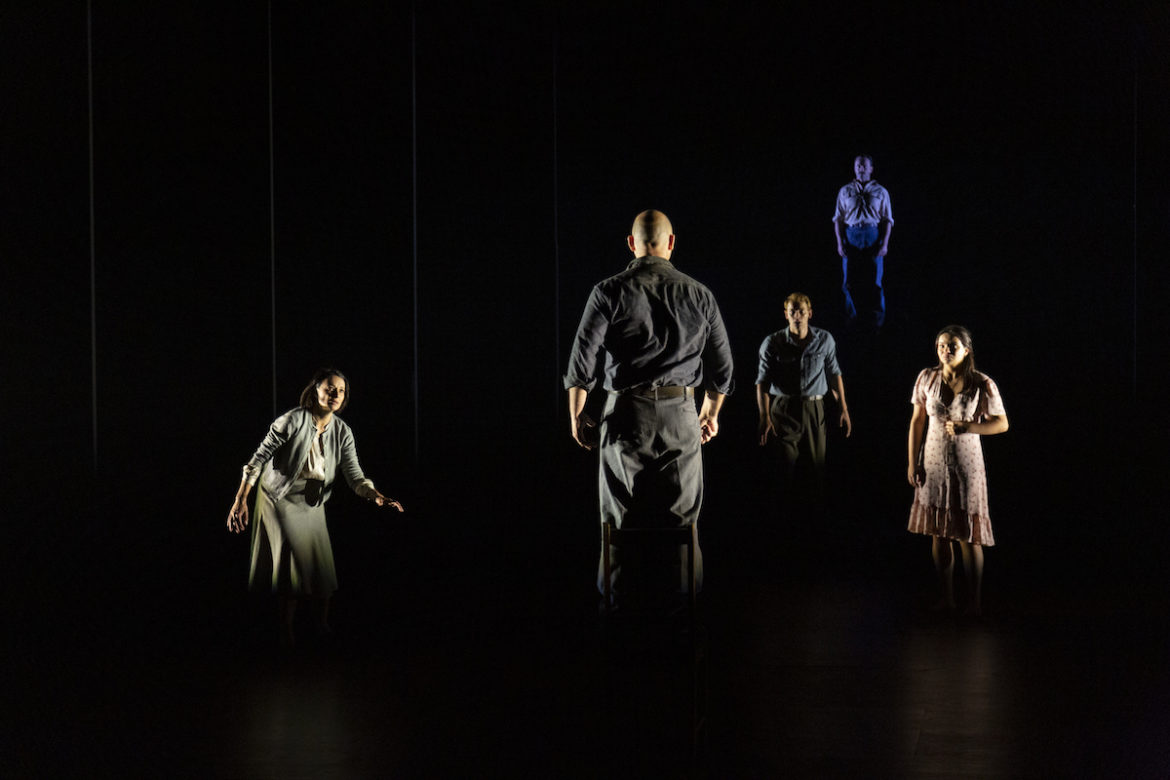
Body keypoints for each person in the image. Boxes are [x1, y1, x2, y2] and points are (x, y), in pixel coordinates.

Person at [564, 209, 734, 610]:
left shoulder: (607, 291)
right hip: (681, 413)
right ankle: (684, 607)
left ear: (631, 244)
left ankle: (616, 609)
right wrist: (710, 413)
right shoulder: (700, 293)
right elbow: (723, 369)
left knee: (617, 518)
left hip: (625, 414)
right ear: (671, 243)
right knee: (683, 520)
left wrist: (576, 416)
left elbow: (580, 365)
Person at [227, 368, 404, 647]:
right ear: (316, 390)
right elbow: (257, 459)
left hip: (312, 501)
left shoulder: (343, 432)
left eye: (341, 391)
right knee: (292, 564)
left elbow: (355, 476)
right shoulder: (292, 420)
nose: (335, 394)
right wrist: (241, 499)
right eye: (329, 388)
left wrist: (377, 496)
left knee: (321, 564)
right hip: (279, 498)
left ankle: (322, 626)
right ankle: (286, 631)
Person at [907, 326, 1008, 616]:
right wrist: (912, 462)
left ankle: (974, 602)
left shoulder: (981, 382)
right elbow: (916, 422)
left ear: (966, 349)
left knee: (968, 534)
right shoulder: (927, 378)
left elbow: (1002, 423)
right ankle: (947, 597)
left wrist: (969, 427)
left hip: (967, 466)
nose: (945, 350)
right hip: (934, 463)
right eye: (941, 345)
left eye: (952, 345)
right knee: (939, 533)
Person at [756, 292, 851, 512]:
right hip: (784, 409)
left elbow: (834, 374)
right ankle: (783, 518)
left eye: (801, 311)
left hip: (814, 409)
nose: (797, 316)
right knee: (784, 468)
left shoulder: (824, 340)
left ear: (810, 313)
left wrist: (843, 408)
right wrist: (764, 415)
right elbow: (762, 381)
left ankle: (814, 520)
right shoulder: (773, 342)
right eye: (793, 312)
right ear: (786, 314)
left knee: (816, 468)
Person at [833, 154, 893, 328]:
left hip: (872, 234)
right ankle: (850, 319)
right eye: (858, 166)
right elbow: (838, 219)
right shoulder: (845, 191)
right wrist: (839, 242)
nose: (860, 169)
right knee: (848, 280)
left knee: (875, 282)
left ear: (871, 169)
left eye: (864, 166)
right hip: (851, 235)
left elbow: (887, 219)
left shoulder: (881, 191)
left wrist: (885, 243)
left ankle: (876, 322)